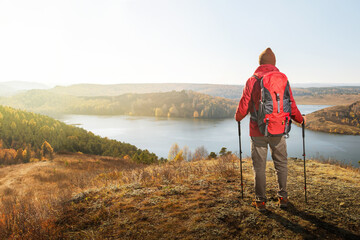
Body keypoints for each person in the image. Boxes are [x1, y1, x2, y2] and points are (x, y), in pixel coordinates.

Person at [235, 48, 305, 211]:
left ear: (260, 63)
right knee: (281, 163)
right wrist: (301, 120)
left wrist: (238, 117)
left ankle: (260, 202)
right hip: (279, 129)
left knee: (259, 167)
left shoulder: (252, 80)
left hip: (257, 131)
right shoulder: (283, 80)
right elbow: (291, 105)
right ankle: (283, 198)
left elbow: (244, 106)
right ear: (274, 63)